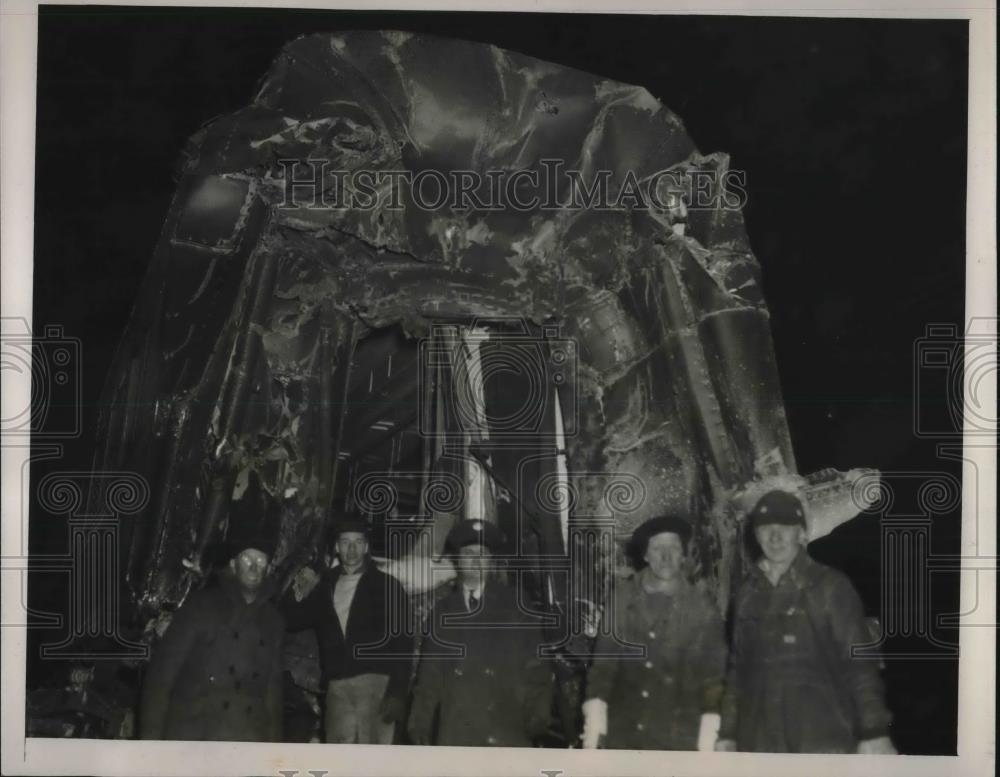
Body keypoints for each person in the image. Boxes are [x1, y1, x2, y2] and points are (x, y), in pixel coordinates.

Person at [715, 489, 896, 754]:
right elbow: (737, 671)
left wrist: (874, 731)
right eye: (765, 528)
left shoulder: (830, 587)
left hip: (823, 737)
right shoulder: (746, 595)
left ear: (801, 533)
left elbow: (859, 665)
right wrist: (728, 733)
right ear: (755, 535)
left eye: (785, 527)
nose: (775, 537)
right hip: (760, 740)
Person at [582, 514, 727, 750]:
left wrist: (709, 735)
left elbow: (713, 679)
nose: (667, 556)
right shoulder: (622, 598)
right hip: (623, 736)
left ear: (683, 554)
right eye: (658, 548)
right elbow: (603, 667)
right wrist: (595, 726)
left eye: (674, 547)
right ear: (646, 555)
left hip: (678, 740)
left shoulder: (702, 609)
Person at [407, 519, 554, 747]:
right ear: (457, 560)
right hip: (457, 729)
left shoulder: (515, 603)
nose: (476, 561)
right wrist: (420, 722)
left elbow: (537, 665)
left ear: (491, 561)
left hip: (506, 728)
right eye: (468, 554)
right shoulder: (443, 610)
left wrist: (537, 716)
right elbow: (429, 674)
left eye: (482, 554)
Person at [140, 519, 284, 741]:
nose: (254, 566)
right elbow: (161, 678)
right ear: (233, 564)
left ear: (268, 567)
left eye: (260, 560)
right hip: (195, 733)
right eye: (246, 558)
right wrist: (151, 743)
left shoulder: (274, 622)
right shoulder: (201, 606)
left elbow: (272, 697)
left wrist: (273, 753)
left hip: (246, 738)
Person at [284, 516, 413, 744]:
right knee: (339, 762)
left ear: (366, 546)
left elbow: (403, 641)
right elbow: (291, 619)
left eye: (357, 542)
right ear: (336, 547)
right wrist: (300, 582)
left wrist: (397, 692)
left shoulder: (387, 585)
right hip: (337, 688)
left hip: (376, 687)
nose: (351, 549)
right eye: (345, 542)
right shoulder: (325, 586)